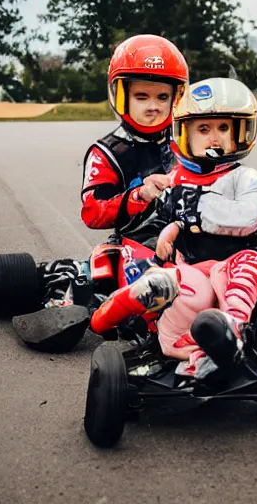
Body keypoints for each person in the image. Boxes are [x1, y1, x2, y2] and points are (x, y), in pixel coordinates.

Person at [89, 77, 257, 380]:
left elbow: (250, 215)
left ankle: (231, 331)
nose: (214, 138)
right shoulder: (180, 178)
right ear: (184, 132)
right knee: (182, 290)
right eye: (203, 129)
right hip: (193, 267)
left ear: (241, 131)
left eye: (223, 128)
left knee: (250, 266)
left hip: (234, 262)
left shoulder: (246, 178)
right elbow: (169, 211)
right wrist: (170, 227)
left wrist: (196, 206)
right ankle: (181, 344)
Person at [39, 34, 189, 308]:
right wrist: (139, 196)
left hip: (190, 236)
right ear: (121, 96)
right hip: (135, 242)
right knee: (108, 272)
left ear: (176, 98)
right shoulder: (107, 152)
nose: (153, 106)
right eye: (141, 96)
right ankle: (64, 280)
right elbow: (93, 212)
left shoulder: (188, 144)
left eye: (162, 96)